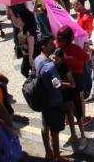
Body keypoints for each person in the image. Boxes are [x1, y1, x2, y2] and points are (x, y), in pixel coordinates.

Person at [34, 34, 66, 162]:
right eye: (51, 44)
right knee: (55, 130)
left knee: (45, 125)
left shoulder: (37, 59)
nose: (54, 46)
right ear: (43, 47)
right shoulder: (50, 66)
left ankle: (48, 152)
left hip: (43, 99)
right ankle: (57, 156)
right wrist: (65, 83)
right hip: (54, 102)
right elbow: (57, 84)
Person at [56, 26, 89, 130]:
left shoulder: (57, 47)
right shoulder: (74, 48)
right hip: (77, 75)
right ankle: (83, 118)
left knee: (66, 98)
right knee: (79, 97)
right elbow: (86, 57)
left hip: (63, 76)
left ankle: (66, 118)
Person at [51, 48, 86, 146]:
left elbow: (73, 84)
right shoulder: (54, 66)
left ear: (61, 59)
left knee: (77, 115)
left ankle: (83, 136)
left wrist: (62, 83)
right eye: (53, 58)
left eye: (56, 59)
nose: (54, 61)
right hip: (63, 94)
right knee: (68, 115)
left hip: (72, 94)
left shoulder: (65, 67)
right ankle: (73, 135)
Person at [10, 4, 39, 78]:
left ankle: (34, 80)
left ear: (24, 19)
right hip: (26, 54)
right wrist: (11, 13)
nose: (18, 19)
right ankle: (34, 79)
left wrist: (30, 59)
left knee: (24, 71)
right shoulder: (23, 26)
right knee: (28, 70)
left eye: (19, 17)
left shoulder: (29, 32)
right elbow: (16, 24)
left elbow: (31, 46)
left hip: (31, 54)